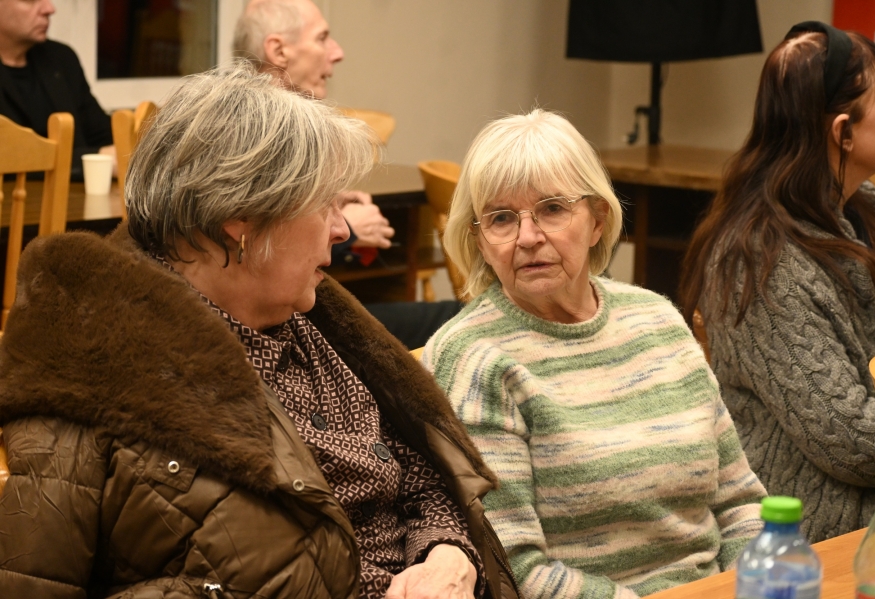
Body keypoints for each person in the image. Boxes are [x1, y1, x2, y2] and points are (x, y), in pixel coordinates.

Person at [0, 65, 519, 599]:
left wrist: (447, 555)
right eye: (325, 204)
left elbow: (421, 475)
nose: (341, 229)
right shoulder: (90, 371)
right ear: (240, 223)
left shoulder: (315, 327)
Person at [421, 109, 766, 599]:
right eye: (501, 218)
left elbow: (741, 503)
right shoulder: (472, 359)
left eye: (552, 210)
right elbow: (517, 569)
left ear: (597, 220)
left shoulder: (657, 319)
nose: (528, 237)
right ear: (478, 239)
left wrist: (747, 586)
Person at [680, 22, 875, 543]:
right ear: (843, 132)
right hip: (820, 525)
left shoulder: (867, 208)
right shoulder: (758, 262)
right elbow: (854, 441)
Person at [234, 0, 394, 255]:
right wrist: (348, 230)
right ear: (279, 51)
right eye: (322, 38)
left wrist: (324, 203)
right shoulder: (243, 136)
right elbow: (251, 251)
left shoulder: (269, 126)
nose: (338, 53)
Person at [0, 0, 116, 179]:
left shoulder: (60, 58)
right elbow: (9, 157)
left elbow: (101, 133)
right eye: (31, 0)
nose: (49, 9)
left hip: (76, 194)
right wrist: (94, 159)